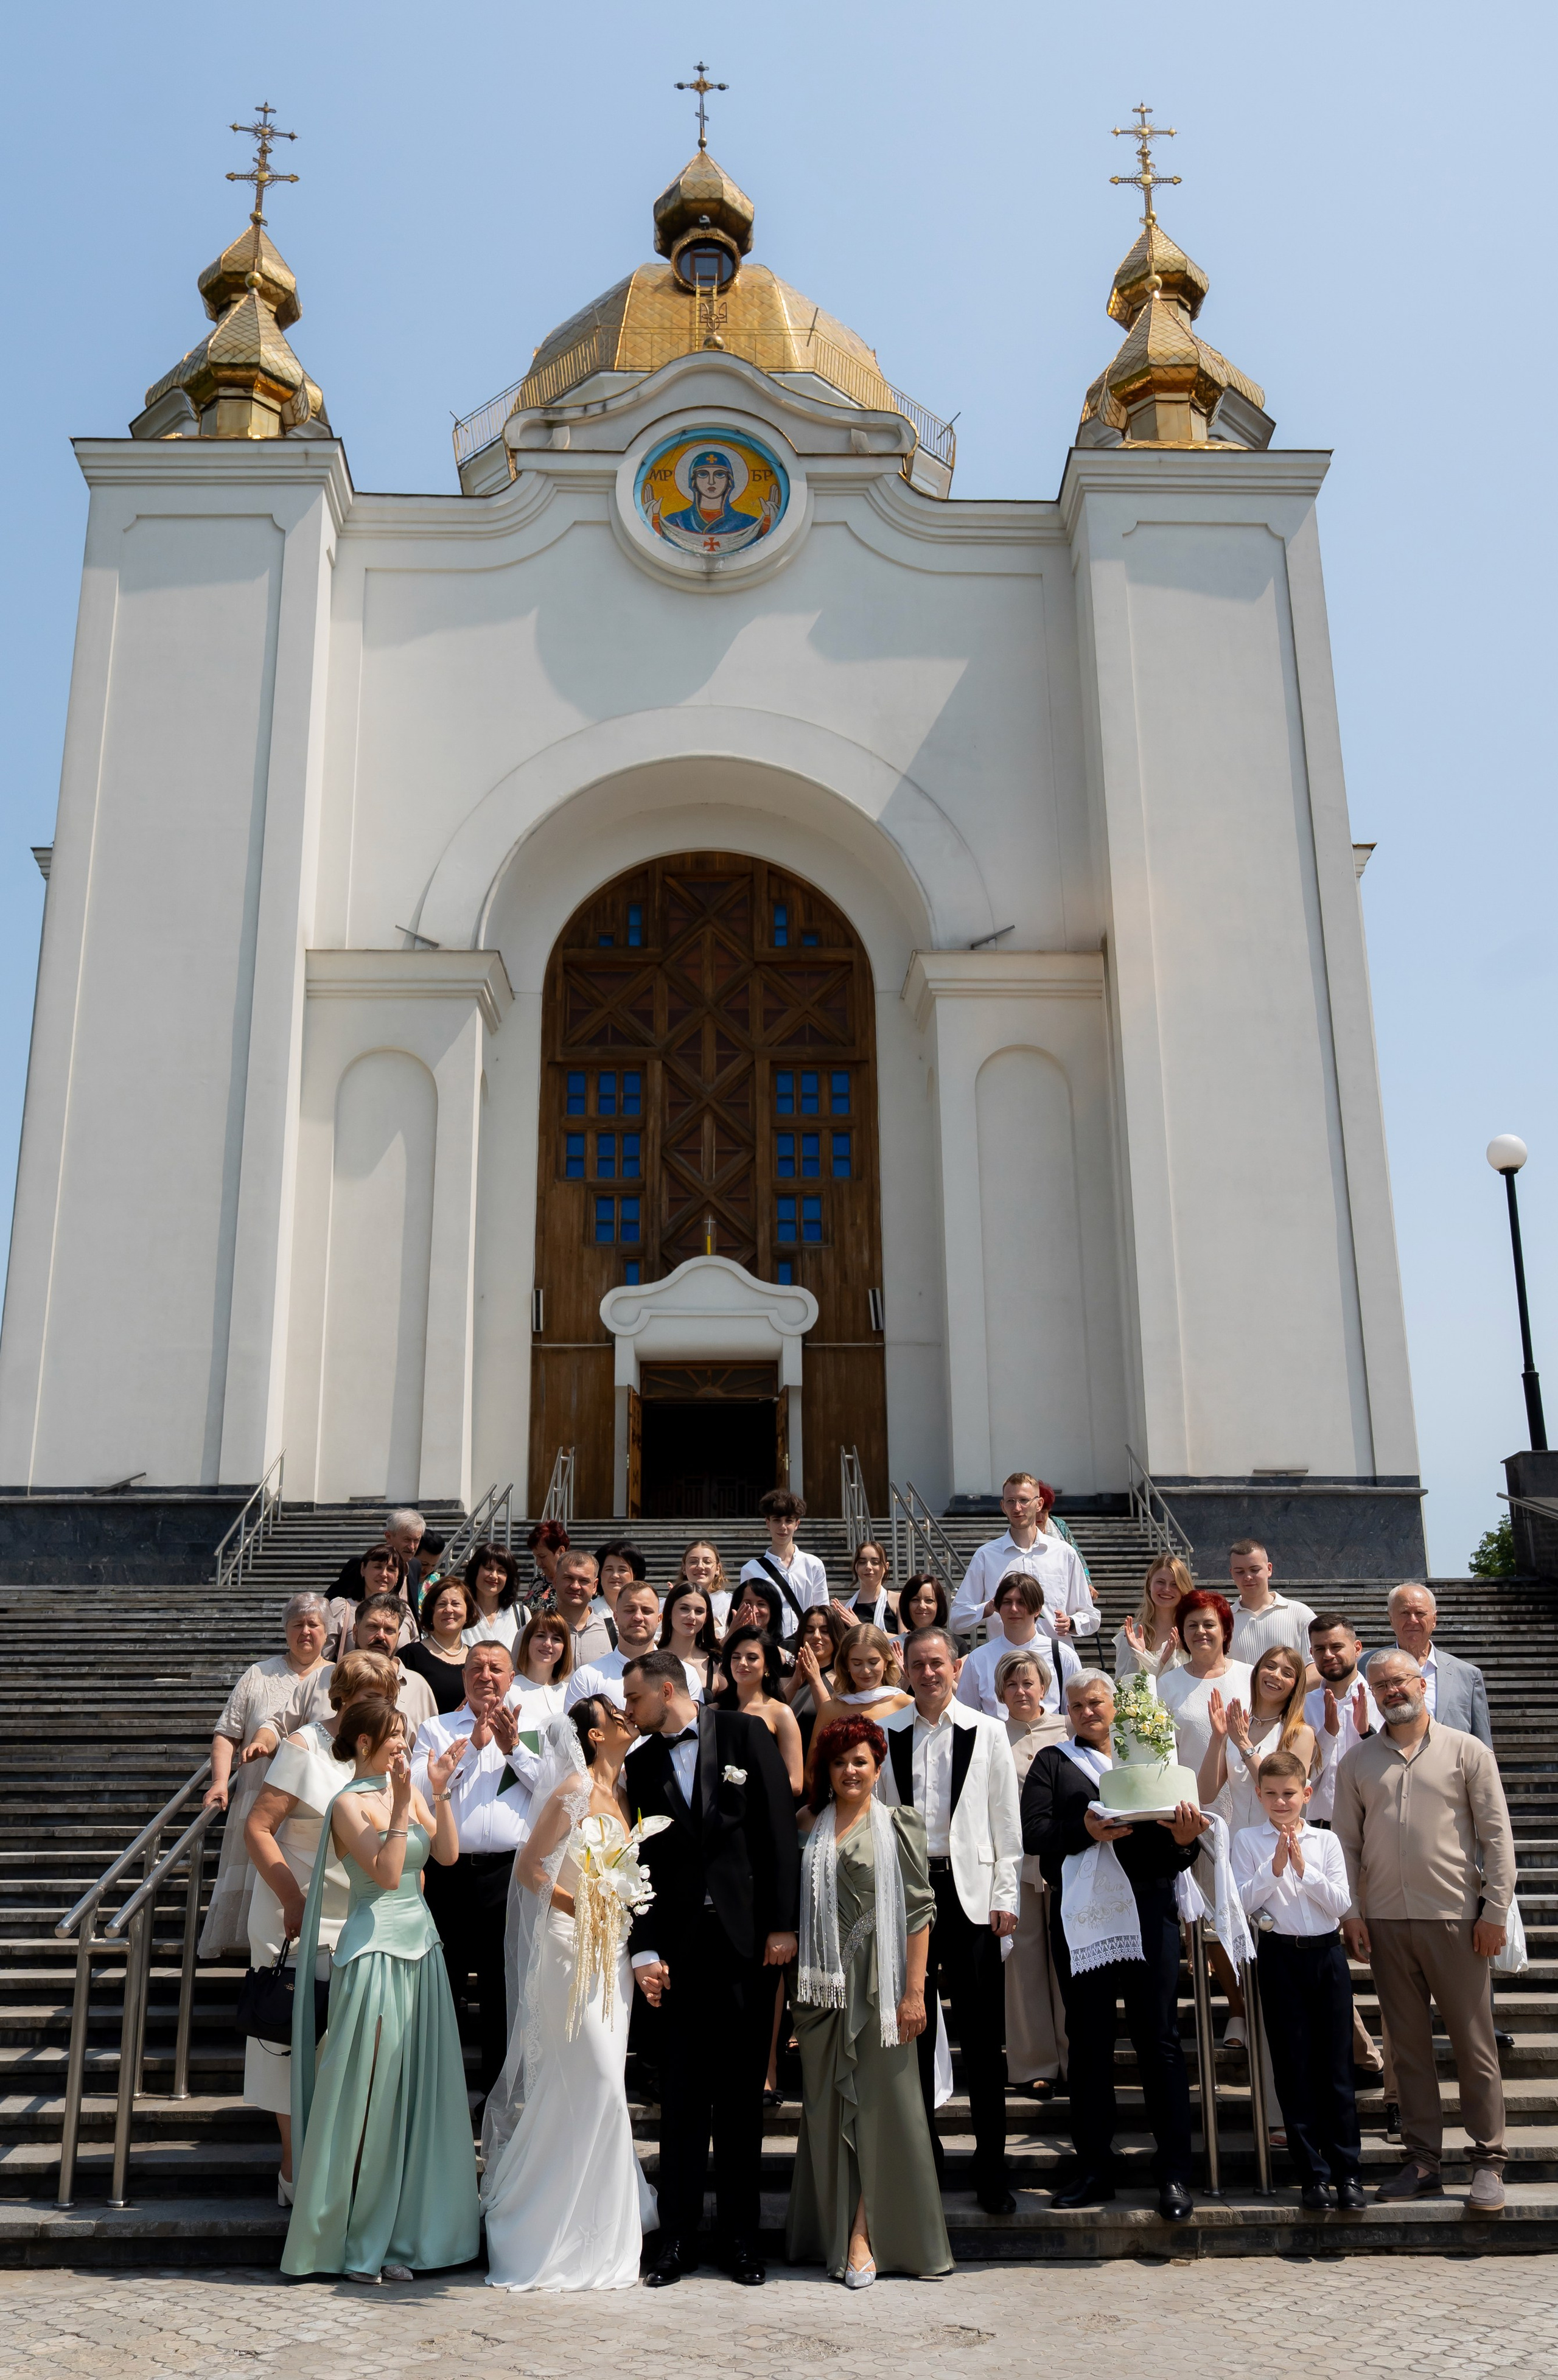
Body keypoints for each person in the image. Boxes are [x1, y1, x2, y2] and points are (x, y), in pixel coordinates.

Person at [281, 1695, 478, 2280]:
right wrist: (399, 1801)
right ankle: (354, 2240)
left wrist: (436, 1789)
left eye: (406, 1734)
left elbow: (444, 1855)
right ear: (364, 1742)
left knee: (415, 2097)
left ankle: (399, 2238)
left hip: (424, 1949)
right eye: (396, 1734)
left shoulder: (410, 1787)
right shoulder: (345, 1803)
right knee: (371, 2097)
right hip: (372, 1954)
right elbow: (389, 1873)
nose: (406, 1743)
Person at [622, 1649, 801, 2287]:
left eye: (636, 1700)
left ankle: (741, 2241)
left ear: (666, 1689)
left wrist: (783, 1923)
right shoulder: (638, 1764)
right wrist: (644, 1946)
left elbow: (779, 1829)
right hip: (677, 1953)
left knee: (740, 2103)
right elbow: (633, 1862)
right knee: (681, 2099)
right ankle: (675, 2240)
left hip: (748, 1942)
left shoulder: (743, 1732)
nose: (628, 1710)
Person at [481, 1698, 663, 2289]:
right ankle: (551, 2226)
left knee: (595, 2083)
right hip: (568, 1944)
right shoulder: (574, 1789)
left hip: (611, 1949)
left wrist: (616, 1908)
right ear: (595, 1732)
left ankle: (596, 2219)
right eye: (618, 1712)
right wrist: (586, 1904)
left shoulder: (629, 1789)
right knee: (603, 2085)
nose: (629, 1716)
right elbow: (532, 1868)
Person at [1020, 1669, 1208, 2219]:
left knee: (1160, 2041)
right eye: (1076, 1704)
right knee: (1089, 2042)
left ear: (1115, 1705)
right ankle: (1095, 2169)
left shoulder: (1149, 1752)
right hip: (1081, 1913)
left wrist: (1183, 1839)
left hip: (1150, 1907)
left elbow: (1176, 1848)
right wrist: (1085, 1830)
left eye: (1095, 1701)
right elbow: (1034, 1833)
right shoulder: (1054, 1762)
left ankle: (1173, 2174)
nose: (1086, 1711)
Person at [1335, 1648, 1515, 2212]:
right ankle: (1423, 2161)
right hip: (1386, 1922)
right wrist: (1351, 1912)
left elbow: (1498, 1838)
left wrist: (1494, 1911)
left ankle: (1487, 2160)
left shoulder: (1468, 1750)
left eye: (1400, 1680)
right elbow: (1345, 1844)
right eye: (1381, 1684)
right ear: (1371, 1692)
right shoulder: (1357, 1762)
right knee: (1407, 2050)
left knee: (1474, 2045)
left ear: (1422, 1682)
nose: (1392, 1690)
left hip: (1458, 1921)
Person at [787, 1715, 951, 2284]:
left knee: (883, 2113)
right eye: (839, 1762)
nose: (850, 1770)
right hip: (822, 1992)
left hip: (881, 1991)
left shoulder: (899, 1825)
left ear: (878, 1767)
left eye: (860, 1760)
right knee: (827, 2112)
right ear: (826, 1771)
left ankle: (864, 2236)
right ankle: (828, 2234)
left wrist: (913, 1991)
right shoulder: (808, 1823)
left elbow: (918, 1912)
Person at [240, 1645, 400, 2203]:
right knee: (290, 2042)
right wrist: (290, 1897)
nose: (379, 1705)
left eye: (387, 1696)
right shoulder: (305, 1744)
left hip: (359, 1912)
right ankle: (294, 2169)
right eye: (369, 1696)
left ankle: (339, 2171)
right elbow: (259, 1828)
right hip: (297, 1910)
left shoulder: (383, 1749)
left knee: (347, 2045)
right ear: (343, 1696)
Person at [877, 1625, 1022, 2213]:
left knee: (985, 2043)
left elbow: (1005, 1823)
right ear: (905, 1670)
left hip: (972, 1897)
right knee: (913, 2035)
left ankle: (993, 2171)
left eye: (939, 1663)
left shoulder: (987, 1731)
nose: (929, 1673)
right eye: (918, 1664)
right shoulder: (886, 1734)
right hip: (908, 1895)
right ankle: (923, 2165)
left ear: (957, 1669)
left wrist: (1005, 1895)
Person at [1231, 1748, 1364, 2210]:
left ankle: (1348, 2173)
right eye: (1271, 1794)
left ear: (1306, 1793)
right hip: (1280, 1956)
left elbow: (1341, 1903)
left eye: (1289, 1793)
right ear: (1259, 1794)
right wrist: (1275, 1869)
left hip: (1326, 1956)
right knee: (1293, 2067)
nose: (1281, 1802)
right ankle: (1314, 2177)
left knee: (1336, 2068)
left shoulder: (1325, 1842)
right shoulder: (1248, 1840)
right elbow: (1242, 1902)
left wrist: (1304, 1870)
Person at [410, 1642, 532, 2103]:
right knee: (445, 1983)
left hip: (510, 1874)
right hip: (449, 1872)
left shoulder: (534, 1727)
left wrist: (512, 1748)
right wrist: (470, 1752)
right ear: (463, 1678)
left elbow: (553, 1788)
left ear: (512, 1675)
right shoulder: (436, 1728)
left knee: (505, 1988)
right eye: (476, 1667)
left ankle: (498, 2095)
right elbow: (419, 1792)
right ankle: (440, 2097)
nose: (486, 1675)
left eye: (495, 1668)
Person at [198, 1594, 332, 1956]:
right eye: (297, 1625)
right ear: (286, 1630)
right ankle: (257, 1955)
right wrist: (218, 1783)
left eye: (313, 1625)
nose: (306, 1632)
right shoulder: (259, 1673)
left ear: (327, 1631)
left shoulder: (336, 1677)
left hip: (314, 1805)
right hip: (260, 1796)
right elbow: (228, 1733)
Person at [1157, 1590, 1252, 2043]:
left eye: (1209, 1623)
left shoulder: (1252, 1678)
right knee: (1215, 1917)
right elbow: (1162, 1754)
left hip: (1252, 1808)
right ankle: (1237, 2010)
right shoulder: (1169, 1685)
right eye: (1192, 1624)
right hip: (1199, 1812)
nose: (1201, 1632)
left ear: (1225, 1629)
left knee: (1256, 1910)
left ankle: (1264, 2007)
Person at [996, 1648, 1069, 2101]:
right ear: (1001, 1692)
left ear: (1044, 1686)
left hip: (1065, 1860)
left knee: (1068, 1965)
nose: (1022, 1691)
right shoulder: (991, 1732)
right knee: (1022, 1968)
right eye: (1013, 1684)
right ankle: (1034, 2064)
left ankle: (1075, 2055)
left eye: (1029, 1683)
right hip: (1016, 1866)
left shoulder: (1068, 1727)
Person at [948, 1473, 1097, 1643]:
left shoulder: (1064, 1553)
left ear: (1039, 1504)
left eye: (1024, 1500)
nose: (1017, 1508)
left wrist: (1071, 1622)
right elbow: (957, 1620)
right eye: (1011, 1501)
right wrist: (987, 1608)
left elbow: (1091, 1616)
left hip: (1053, 1660)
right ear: (1003, 1506)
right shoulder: (986, 1556)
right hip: (1005, 1662)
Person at [1198, 1644, 1318, 1835]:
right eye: (1270, 1667)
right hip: (1238, 1844)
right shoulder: (1238, 1728)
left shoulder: (1300, 1733)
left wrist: (1245, 1745)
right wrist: (1218, 1737)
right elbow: (1206, 1794)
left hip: (1278, 1841)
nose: (1276, 1675)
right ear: (1257, 1672)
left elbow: (1282, 1791)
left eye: (1287, 1673)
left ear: (1295, 1686)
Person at [958, 1572, 1082, 1717]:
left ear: (1037, 1610)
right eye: (1007, 1602)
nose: (1014, 1609)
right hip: (998, 1739)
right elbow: (965, 1716)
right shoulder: (978, 1659)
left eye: (1022, 1602)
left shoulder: (1063, 1656)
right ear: (997, 1608)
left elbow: (1077, 1710)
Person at [796, 1622, 912, 1775]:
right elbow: (812, 1772)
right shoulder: (831, 1709)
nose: (866, 1671)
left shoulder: (905, 1705)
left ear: (886, 1662)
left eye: (873, 1662)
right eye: (857, 1663)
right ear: (846, 1665)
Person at [568, 1580, 702, 1708]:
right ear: (616, 1617)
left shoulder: (686, 1675)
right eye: (629, 1610)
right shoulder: (586, 1677)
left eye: (647, 1611)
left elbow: (691, 1728)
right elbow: (573, 1731)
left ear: (659, 1619)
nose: (638, 1617)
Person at [1388, 1584, 1493, 1745]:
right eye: (1405, 1613)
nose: (1413, 1620)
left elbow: (1482, 1743)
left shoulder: (1468, 1675)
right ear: (1391, 1619)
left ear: (1434, 1619)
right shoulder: (1365, 1668)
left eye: (1420, 1613)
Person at [714, 1624, 805, 1799]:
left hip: (764, 1812)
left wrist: (745, 1787)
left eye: (752, 1658)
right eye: (736, 1657)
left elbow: (795, 1783)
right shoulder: (713, 1711)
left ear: (767, 1666)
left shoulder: (781, 1713)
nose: (742, 1663)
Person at [739, 1488, 828, 1641]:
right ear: (768, 1523)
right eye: (777, 1520)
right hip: (769, 1645)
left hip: (806, 1643)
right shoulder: (751, 1570)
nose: (783, 1527)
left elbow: (823, 1610)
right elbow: (749, 1614)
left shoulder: (814, 1565)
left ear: (797, 1524)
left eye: (789, 1521)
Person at [1226, 1540, 1318, 1676]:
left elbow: (1315, 1667)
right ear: (1232, 1573)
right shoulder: (1224, 1620)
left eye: (1255, 1570)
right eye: (1240, 1572)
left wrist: (1285, 1694)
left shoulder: (1300, 1614)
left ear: (1269, 1569)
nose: (1248, 1577)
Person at [402, 1576, 481, 1715]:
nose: (449, 1610)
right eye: (442, 1604)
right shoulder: (410, 1655)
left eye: (456, 1604)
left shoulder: (476, 1658)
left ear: (468, 1612)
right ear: (431, 1612)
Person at [1113, 1557, 1194, 1682]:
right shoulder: (1130, 1635)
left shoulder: (1192, 1634)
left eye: (1174, 1584)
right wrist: (1137, 1656)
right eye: (1161, 1582)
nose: (1167, 1589)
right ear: (1149, 1585)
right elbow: (1121, 1685)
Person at [324, 1544, 413, 1652]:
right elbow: (323, 1657)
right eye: (378, 1567)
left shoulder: (405, 1612)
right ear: (363, 1569)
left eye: (391, 1569)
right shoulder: (342, 1608)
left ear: (398, 1578)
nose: (384, 1574)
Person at [511, 1607, 573, 1733]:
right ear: (527, 1642)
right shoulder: (509, 1690)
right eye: (540, 1636)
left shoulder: (569, 1692)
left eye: (556, 1639)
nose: (548, 1644)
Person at [462, 1543, 527, 1656]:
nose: (494, 1576)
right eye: (489, 1568)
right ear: (475, 1571)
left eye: (501, 1571)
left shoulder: (521, 1616)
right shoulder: (460, 1613)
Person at [551, 1549, 614, 1667]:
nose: (575, 1586)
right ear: (555, 1581)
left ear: (594, 1586)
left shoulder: (613, 1634)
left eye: (584, 1580)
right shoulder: (535, 1633)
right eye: (568, 1578)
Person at [660, 1577, 721, 1694]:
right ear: (669, 1612)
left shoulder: (716, 1663)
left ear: (706, 1617)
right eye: (684, 1609)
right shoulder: (649, 1659)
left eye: (699, 1611)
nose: (692, 1617)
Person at [672, 1537, 733, 1631]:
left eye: (707, 1562)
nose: (700, 1566)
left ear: (718, 1569)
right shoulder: (667, 1604)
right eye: (693, 1562)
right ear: (684, 1568)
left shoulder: (730, 1604)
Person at [840, 1539, 893, 1630]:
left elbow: (905, 1639)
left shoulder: (897, 1602)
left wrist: (859, 1627)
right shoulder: (844, 1607)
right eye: (862, 1562)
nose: (868, 1567)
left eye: (875, 1562)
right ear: (856, 1566)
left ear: (886, 1566)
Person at [596, 1538, 648, 1619]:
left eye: (622, 1570)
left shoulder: (650, 1610)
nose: (615, 1575)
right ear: (600, 1573)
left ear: (635, 1574)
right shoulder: (588, 1612)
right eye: (609, 1569)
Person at [895, 1574, 949, 1639]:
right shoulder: (893, 1646)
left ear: (939, 1605)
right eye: (915, 1600)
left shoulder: (955, 1644)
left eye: (929, 1600)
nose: (922, 1606)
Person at [526, 1518, 569, 1600]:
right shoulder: (537, 1581)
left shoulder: (573, 1585)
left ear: (561, 1551)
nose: (538, 1563)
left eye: (542, 1556)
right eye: (536, 1557)